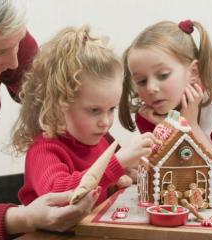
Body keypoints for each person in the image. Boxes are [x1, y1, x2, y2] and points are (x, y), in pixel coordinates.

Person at [0, 1, 99, 239]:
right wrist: (25, 217)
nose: (14, 62)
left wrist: (113, 157)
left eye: (17, 43)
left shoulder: (4, 36)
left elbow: (64, 105)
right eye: (0, 52)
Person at [11, 25, 157, 206]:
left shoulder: (103, 141)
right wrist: (117, 163)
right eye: (94, 110)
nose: (105, 123)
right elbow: (60, 195)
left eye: (111, 109)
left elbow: (106, 181)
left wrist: (122, 178)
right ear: (58, 105)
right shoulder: (44, 150)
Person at [119, 20, 212, 168]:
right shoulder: (149, 116)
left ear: (193, 72)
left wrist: (190, 127)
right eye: (142, 81)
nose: (150, 88)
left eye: (163, 75)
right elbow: (171, 170)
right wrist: (168, 127)